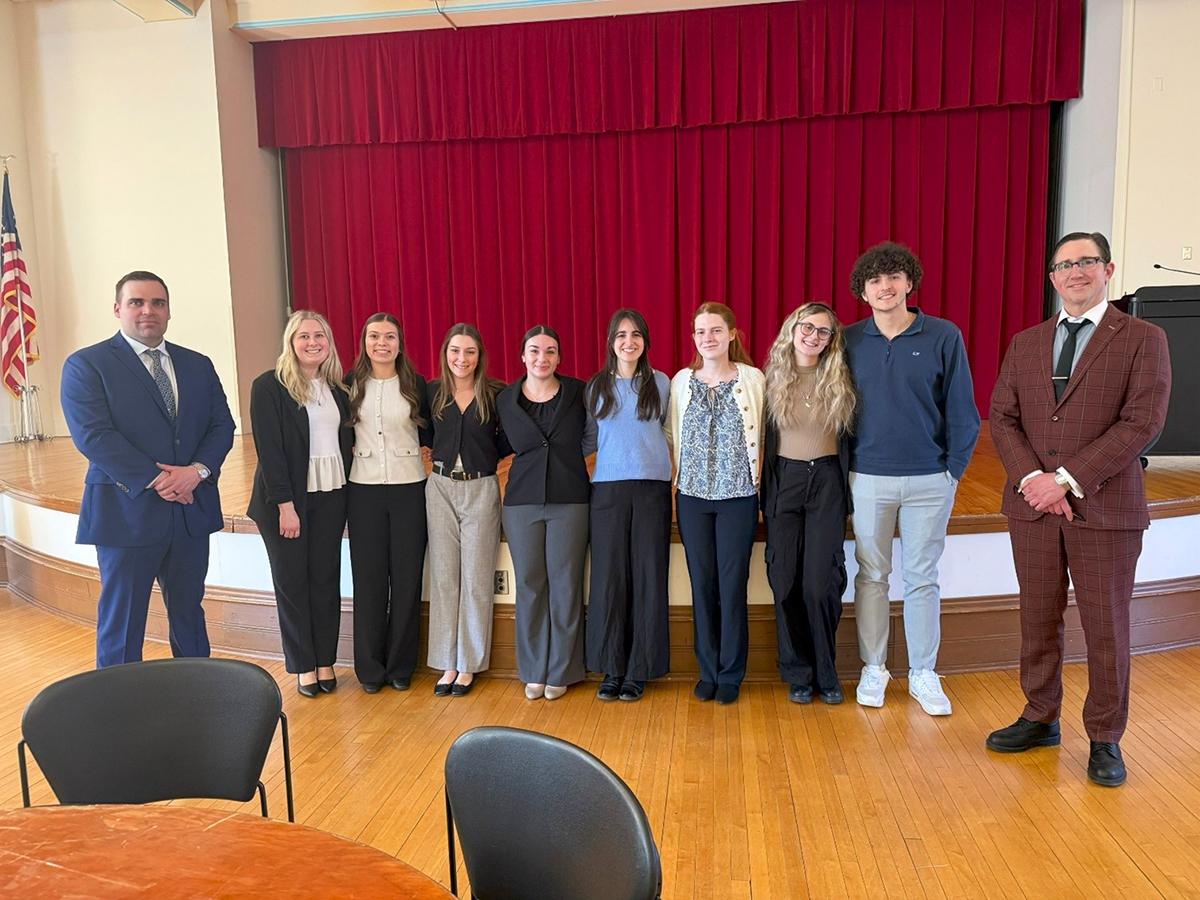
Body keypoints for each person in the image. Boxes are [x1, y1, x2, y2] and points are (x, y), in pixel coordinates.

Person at [987, 232, 1171, 787]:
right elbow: (1003, 417)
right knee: (1037, 618)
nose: (1075, 272)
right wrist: (1032, 480)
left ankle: (1105, 737)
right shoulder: (1026, 342)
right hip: (1033, 508)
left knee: (1105, 627)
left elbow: (1142, 422)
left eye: (1086, 262)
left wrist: (1066, 480)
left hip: (1105, 508)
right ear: (1052, 278)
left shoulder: (1144, 338)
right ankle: (1040, 717)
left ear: (1108, 269)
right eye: (1064, 265)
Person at [61, 271, 235, 668]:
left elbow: (221, 425)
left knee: (190, 616)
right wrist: (161, 480)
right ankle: (120, 710)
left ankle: (197, 693)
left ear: (169, 311)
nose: (148, 311)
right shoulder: (88, 365)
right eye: (137, 302)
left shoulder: (197, 364)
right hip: (127, 515)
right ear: (117, 309)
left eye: (157, 303)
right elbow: (94, 436)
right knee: (122, 624)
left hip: (190, 512)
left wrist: (197, 471)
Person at [844, 241, 980, 716]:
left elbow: (964, 410)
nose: (885, 286)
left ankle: (924, 671)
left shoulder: (943, 335)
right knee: (872, 576)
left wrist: (952, 472)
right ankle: (874, 667)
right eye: (875, 280)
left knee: (923, 578)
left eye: (894, 277)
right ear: (863, 291)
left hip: (929, 479)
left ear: (909, 282)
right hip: (868, 477)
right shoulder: (848, 340)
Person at [247, 310, 352, 698]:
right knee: (292, 584)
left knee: (325, 582)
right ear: (291, 343)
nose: (312, 343)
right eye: (304, 336)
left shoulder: (338, 389)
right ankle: (303, 666)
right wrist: (285, 505)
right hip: (285, 502)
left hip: (330, 495)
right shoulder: (269, 387)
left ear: (329, 342)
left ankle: (326, 660)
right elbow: (270, 452)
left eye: (320, 336)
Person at [668, 301, 765, 705]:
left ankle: (730, 673)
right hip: (692, 497)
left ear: (731, 335)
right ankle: (706, 670)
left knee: (732, 583)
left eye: (715, 330)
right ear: (694, 338)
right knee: (702, 584)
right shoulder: (680, 381)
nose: (708, 338)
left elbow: (765, 433)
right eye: (701, 332)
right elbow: (670, 435)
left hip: (738, 496)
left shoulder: (752, 379)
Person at [761, 302, 856, 705]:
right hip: (786, 479)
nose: (813, 336)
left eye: (823, 331)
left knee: (820, 584)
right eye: (807, 327)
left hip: (828, 481)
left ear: (831, 340)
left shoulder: (842, 379)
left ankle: (825, 671)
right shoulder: (767, 380)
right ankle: (798, 674)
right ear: (792, 328)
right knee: (785, 581)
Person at [583, 309, 672, 702]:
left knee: (648, 577)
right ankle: (612, 668)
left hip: (652, 489)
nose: (628, 342)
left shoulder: (662, 383)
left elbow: (671, 432)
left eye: (636, 335)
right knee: (609, 579)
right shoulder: (596, 387)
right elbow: (588, 441)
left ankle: (640, 669)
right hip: (607, 492)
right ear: (610, 342)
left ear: (645, 342)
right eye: (621, 335)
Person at [497, 325, 589, 701]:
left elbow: (590, 437)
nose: (541, 358)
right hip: (521, 501)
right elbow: (499, 443)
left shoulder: (578, 392)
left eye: (550, 351)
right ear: (523, 356)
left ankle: (562, 669)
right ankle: (533, 669)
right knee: (531, 585)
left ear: (559, 357)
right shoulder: (505, 399)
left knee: (566, 584)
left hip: (570, 498)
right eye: (534, 351)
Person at [345, 313, 431, 694]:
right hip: (362, 490)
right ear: (364, 341)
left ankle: (400, 666)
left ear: (400, 343)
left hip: (409, 488)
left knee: (407, 578)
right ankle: (369, 668)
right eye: (375, 336)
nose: (382, 343)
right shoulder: (347, 385)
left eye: (390, 337)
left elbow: (434, 430)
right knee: (369, 580)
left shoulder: (416, 385)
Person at [426, 323, 509, 697]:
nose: (462, 359)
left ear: (480, 356)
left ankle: (469, 665)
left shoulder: (496, 394)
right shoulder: (431, 393)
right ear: (446, 354)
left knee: (476, 579)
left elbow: (506, 441)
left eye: (470, 352)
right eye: (455, 351)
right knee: (445, 578)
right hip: (440, 487)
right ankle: (447, 662)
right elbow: (423, 435)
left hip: (481, 488)